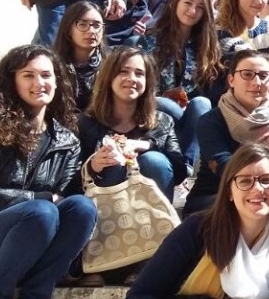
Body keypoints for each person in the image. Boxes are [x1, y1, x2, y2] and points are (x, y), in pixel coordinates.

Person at [0, 45, 97, 298]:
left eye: (46, 75)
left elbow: (64, 203)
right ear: (12, 81)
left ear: (57, 81)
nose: (39, 82)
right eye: (28, 75)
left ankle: (38, 292)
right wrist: (38, 200)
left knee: (82, 207)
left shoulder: (67, 141)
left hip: (33, 252)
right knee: (42, 209)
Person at [128, 143, 269, 299]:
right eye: (245, 181)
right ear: (229, 191)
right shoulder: (196, 231)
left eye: (266, 180)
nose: (257, 189)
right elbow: (140, 294)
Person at [186, 51, 269, 233]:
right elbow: (224, 167)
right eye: (247, 74)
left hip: (264, 194)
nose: (256, 82)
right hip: (215, 194)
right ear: (231, 80)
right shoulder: (211, 121)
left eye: (264, 76)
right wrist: (261, 198)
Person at [71, 47, 186, 205]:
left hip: (152, 212)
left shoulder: (162, 122)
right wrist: (92, 166)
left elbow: (180, 172)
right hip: (107, 211)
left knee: (154, 160)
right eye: (124, 71)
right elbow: (68, 183)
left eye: (139, 73)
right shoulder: (85, 123)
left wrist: (147, 146)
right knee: (115, 164)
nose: (132, 79)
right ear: (109, 77)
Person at [139, 0, 220, 172]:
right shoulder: (151, 39)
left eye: (200, 8)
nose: (192, 11)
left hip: (191, 116)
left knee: (202, 103)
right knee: (163, 102)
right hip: (155, 107)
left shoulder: (206, 47)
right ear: (175, 3)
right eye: (188, 3)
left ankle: (186, 165)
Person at [53, 0, 107, 111]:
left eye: (97, 25)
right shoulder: (53, 65)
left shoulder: (110, 64)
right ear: (68, 29)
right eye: (83, 24)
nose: (91, 31)